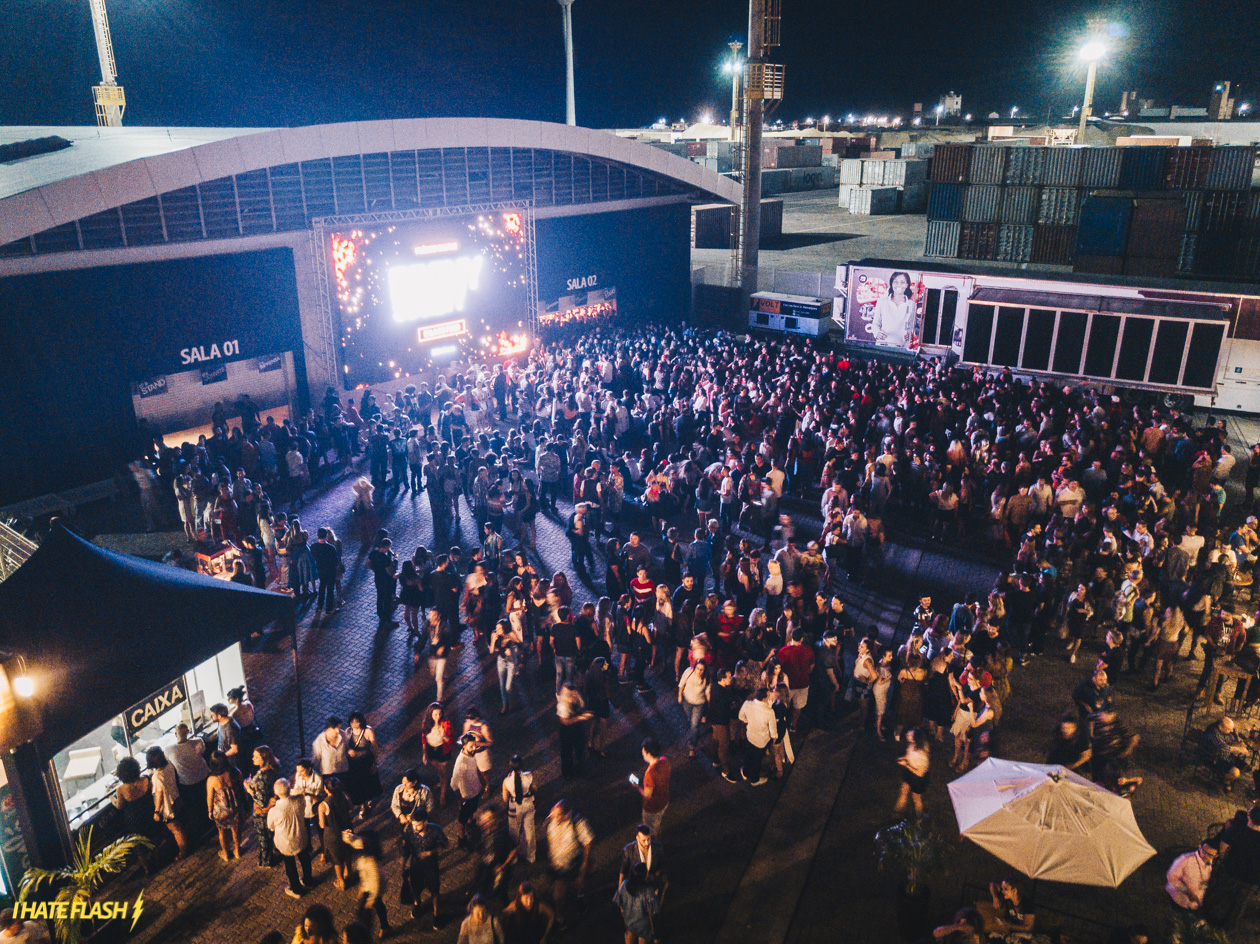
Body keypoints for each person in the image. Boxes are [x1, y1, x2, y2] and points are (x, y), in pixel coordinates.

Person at [1202, 804, 1260, 930]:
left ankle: (1208, 919)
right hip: (1251, 878)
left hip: (1231, 870)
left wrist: (1224, 861)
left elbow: (1223, 850)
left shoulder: (1235, 830)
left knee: (1219, 894)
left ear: (1249, 817)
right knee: (1239, 904)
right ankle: (1228, 927)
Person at [544, 800, 592, 929]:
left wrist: (585, 862)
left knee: (578, 884)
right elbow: (550, 839)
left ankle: (580, 897)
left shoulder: (577, 823)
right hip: (558, 865)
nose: (554, 818)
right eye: (553, 814)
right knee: (558, 894)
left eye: (557, 815)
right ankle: (560, 918)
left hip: (574, 862)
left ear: (567, 815)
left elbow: (587, 841)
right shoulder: (551, 821)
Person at [400, 810, 449, 930]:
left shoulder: (435, 830)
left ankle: (436, 914)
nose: (415, 828)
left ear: (426, 822)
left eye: (418, 825)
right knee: (415, 888)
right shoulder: (409, 830)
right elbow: (406, 849)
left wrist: (430, 852)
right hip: (415, 863)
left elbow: (445, 844)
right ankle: (417, 904)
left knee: (434, 890)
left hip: (431, 864)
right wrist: (403, 865)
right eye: (413, 824)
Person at [267, 778, 312, 898]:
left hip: (285, 843)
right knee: (305, 859)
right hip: (301, 837)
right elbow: (301, 796)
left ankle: (296, 889)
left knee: (290, 865)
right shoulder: (299, 800)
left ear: (276, 793)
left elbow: (270, 826)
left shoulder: (274, 811)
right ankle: (308, 880)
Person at [345, 827, 391, 938]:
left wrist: (371, 899)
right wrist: (348, 835)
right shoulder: (364, 851)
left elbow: (375, 883)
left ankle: (367, 934)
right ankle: (385, 927)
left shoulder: (371, 862)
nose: (358, 842)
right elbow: (351, 840)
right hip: (367, 886)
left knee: (366, 913)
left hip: (372, 889)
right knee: (378, 905)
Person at [167, 723, 210, 830]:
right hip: (204, 777)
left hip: (187, 784)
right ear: (188, 732)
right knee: (207, 801)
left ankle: (202, 828)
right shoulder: (198, 741)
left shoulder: (169, 749)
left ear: (176, 734)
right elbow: (203, 751)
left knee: (195, 807)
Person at [244, 746, 281, 867]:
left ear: (264, 759)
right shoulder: (275, 767)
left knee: (264, 837)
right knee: (272, 832)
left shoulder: (260, 778)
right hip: (275, 809)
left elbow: (260, 802)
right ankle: (277, 849)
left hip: (263, 814)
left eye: (256, 756)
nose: (252, 758)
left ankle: (266, 861)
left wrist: (248, 788)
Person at [451, 733, 489, 849]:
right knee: (462, 819)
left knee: (472, 810)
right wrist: (460, 799)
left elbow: (475, 767)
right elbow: (453, 784)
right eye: (471, 746)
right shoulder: (460, 764)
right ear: (464, 746)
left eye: (475, 745)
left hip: (475, 791)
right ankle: (461, 839)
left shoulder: (471, 755)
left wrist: (482, 781)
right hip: (466, 796)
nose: (474, 748)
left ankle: (471, 823)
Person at [318, 777, 353, 891]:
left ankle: (341, 881)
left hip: (333, 835)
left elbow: (322, 825)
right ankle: (349, 872)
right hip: (347, 829)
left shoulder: (323, 805)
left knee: (337, 858)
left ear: (326, 789)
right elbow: (351, 807)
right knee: (347, 852)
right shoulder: (344, 795)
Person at [205, 753, 242, 861]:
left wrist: (209, 811)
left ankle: (225, 853)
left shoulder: (212, 779)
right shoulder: (235, 771)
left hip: (221, 810)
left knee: (221, 831)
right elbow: (241, 786)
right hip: (235, 807)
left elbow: (210, 798)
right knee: (235, 829)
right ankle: (237, 851)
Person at [613, 863, 662, 944]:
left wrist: (623, 911)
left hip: (629, 922)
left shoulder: (624, 885)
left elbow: (618, 900)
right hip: (644, 926)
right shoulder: (647, 891)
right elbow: (656, 909)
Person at [738, 686, 777, 786]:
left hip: (750, 735)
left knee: (748, 755)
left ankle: (745, 772)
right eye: (768, 696)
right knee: (757, 760)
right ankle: (755, 780)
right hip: (761, 740)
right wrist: (774, 737)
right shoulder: (769, 711)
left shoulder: (747, 703)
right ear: (764, 698)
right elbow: (773, 728)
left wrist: (748, 722)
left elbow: (741, 716)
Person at [502, 755, 537, 865]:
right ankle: (531, 856)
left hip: (514, 809)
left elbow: (505, 799)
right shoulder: (529, 776)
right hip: (528, 805)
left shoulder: (506, 781)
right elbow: (535, 788)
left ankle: (514, 858)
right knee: (530, 831)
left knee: (514, 834)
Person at [345, 711, 382, 814]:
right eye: (352, 723)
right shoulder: (348, 731)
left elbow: (375, 748)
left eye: (356, 722)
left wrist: (375, 763)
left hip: (366, 762)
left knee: (367, 783)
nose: (354, 725)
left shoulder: (368, 731)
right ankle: (361, 804)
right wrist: (349, 751)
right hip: (354, 764)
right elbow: (345, 744)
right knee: (357, 784)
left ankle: (367, 800)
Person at [1167, 841, 1217, 912]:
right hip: (1178, 900)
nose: (1205, 856)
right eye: (1204, 852)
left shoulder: (1210, 865)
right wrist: (1186, 891)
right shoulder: (1185, 859)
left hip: (1196, 904)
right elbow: (1172, 877)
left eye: (1210, 855)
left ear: (1215, 855)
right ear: (1200, 847)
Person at [618, 824, 667, 896]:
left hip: (652, 887)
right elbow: (623, 870)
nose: (647, 843)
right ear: (637, 838)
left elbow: (662, 866)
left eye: (649, 839)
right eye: (644, 840)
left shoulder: (658, 848)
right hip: (636, 888)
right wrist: (620, 890)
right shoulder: (629, 850)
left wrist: (655, 876)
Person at [422, 702, 455, 806]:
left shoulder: (446, 723)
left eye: (440, 714)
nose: (438, 717)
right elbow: (424, 739)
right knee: (439, 770)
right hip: (431, 750)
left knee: (444, 773)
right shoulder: (426, 724)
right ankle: (441, 780)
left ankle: (442, 795)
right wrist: (424, 753)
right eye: (435, 714)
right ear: (430, 714)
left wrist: (443, 735)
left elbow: (450, 740)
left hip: (443, 750)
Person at [556, 683, 592, 778]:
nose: (574, 696)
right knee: (566, 751)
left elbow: (581, 706)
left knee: (580, 747)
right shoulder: (563, 705)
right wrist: (580, 718)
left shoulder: (576, 697)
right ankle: (567, 773)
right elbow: (564, 721)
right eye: (572, 694)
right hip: (567, 730)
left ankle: (581, 768)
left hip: (577, 727)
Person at [636, 737, 671, 834]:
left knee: (649, 828)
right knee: (657, 824)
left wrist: (637, 787)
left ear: (649, 754)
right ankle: (657, 837)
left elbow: (647, 795)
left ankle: (653, 843)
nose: (642, 754)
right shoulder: (665, 760)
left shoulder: (650, 774)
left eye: (643, 753)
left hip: (653, 807)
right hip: (664, 801)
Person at [893, 728, 930, 819]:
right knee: (903, 792)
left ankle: (919, 819)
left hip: (917, 779)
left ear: (914, 739)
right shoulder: (912, 745)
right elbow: (909, 754)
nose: (907, 735)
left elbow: (920, 772)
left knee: (916, 799)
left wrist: (906, 764)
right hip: (909, 772)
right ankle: (896, 814)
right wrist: (904, 758)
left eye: (909, 735)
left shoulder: (921, 753)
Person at [677, 659, 711, 757]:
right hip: (687, 700)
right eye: (698, 668)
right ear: (694, 667)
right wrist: (679, 695)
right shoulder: (689, 672)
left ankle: (692, 746)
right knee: (690, 719)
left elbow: (707, 693)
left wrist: (709, 705)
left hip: (699, 704)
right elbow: (681, 684)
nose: (699, 671)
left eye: (702, 670)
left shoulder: (706, 678)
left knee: (694, 725)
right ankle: (697, 724)